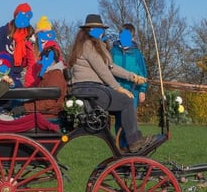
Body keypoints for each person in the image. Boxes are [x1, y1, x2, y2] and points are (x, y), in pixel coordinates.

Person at [67, 13, 158, 153]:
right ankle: (133, 141)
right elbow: (103, 70)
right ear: (87, 30)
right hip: (89, 89)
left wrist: (132, 77)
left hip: (92, 89)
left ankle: (126, 142)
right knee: (127, 100)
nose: (99, 32)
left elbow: (111, 67)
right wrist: (118, 88)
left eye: (101, 29)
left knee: (125, 102)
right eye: (96, 29)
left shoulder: (97, 46)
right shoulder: (88, 45)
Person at [110, 23, 149, 147]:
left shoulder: (136, 54)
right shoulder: (113, 51)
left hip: (133, 91)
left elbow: (142, 72)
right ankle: (121, 145)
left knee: (130, 119)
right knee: (119, 120)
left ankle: (131, 143)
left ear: (133, 38)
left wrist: (142, 90)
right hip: (117, 90)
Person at [0, 2, 36, 87]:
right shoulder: (3, 31)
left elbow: (29, 60)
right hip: (0, 72)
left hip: (16, 76)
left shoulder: (28, 35)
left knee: (18, 95)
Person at [15, 40, 67, 118]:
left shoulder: (55, 75)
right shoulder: (48, 74)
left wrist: (25, 108)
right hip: (43, 112)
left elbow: (49, 102)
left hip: (48, 114)